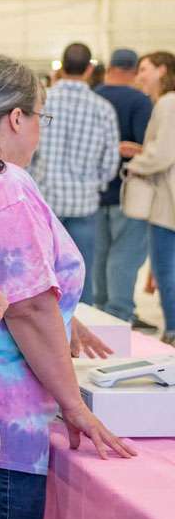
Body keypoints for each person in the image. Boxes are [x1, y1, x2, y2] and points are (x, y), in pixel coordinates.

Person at [0, 54, 135, 519]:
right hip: (6, 429)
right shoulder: (8, 185)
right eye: (42, 115)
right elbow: (30, 310)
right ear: (17, 118)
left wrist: (64, 310)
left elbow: (24, 289)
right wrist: (76, 406)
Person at [34, 42, 120, 278]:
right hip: (84, 204)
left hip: (45, 203)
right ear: (90, 69)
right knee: (81, 280)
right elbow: (110, 162)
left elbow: (27, 151)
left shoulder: (42, 101)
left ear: (61, 67)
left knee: (43, 279)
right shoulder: (104, 109)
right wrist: (95, 184)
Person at [93, 48, 155, 329]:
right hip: (128, 192)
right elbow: (149, 147)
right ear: (134, 69)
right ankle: (119, 315)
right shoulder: (140, 101)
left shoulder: (94, 96)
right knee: (125, 256)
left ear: (110, 68)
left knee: (100, 255)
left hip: (94, 192)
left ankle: (101, 315)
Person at [124, 51, 175, 345]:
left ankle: (172, 332)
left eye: (145, 69)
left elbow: (163, 155)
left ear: (162, 70)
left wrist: (133, 165)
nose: (140, 75)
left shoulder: (168, 103)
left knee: (165, 269)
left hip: (166, 204)